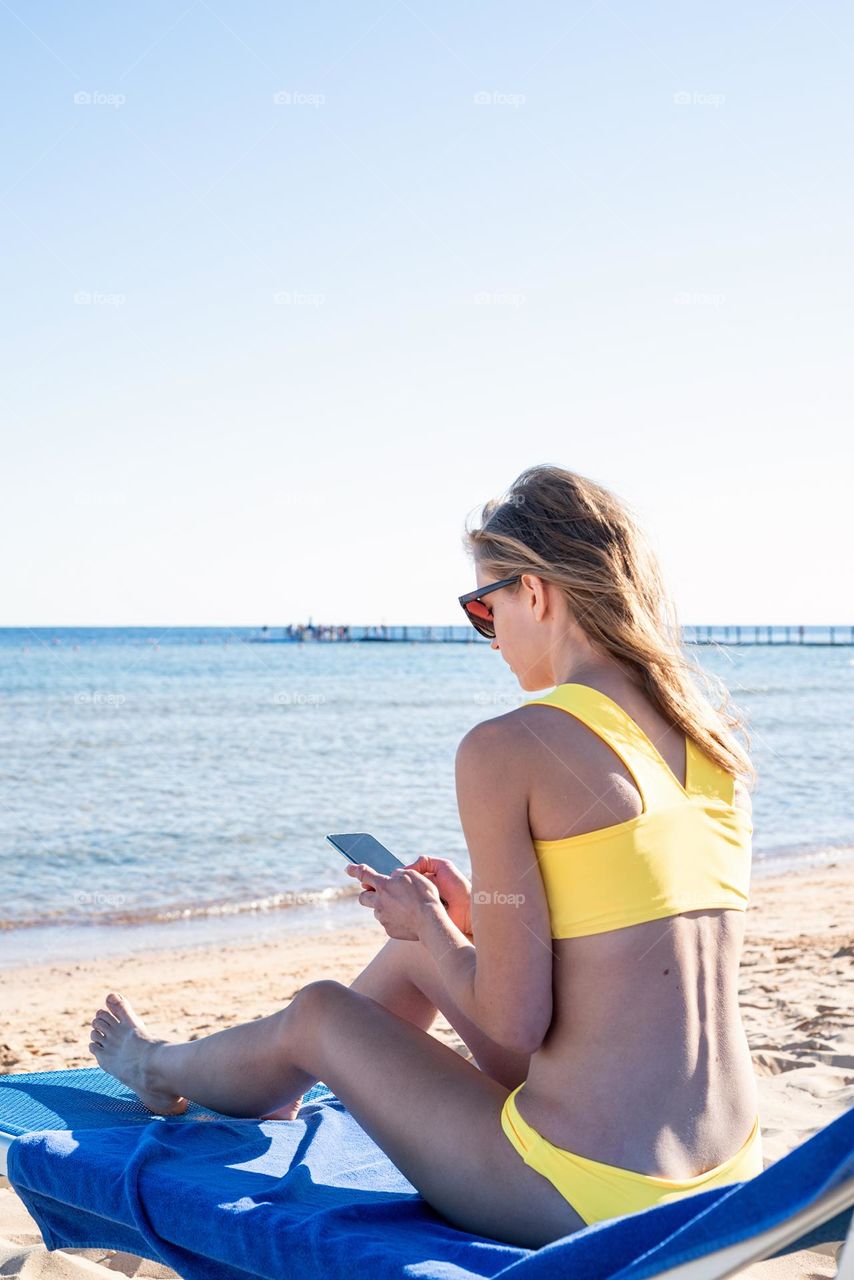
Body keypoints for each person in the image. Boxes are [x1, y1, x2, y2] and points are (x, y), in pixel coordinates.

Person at [87, 464, 762, 1249]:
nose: (488, 632)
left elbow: (516, 1020)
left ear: (535, 593)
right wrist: (462, 925)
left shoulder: (509, 746)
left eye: (485, 605)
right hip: (728, 1174)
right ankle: (264, 1086)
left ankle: (159, 1068)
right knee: (417, 958)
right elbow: (632, 958)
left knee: (321, 1012)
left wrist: (428, 924)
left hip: (596, 1191)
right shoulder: (712, 746)